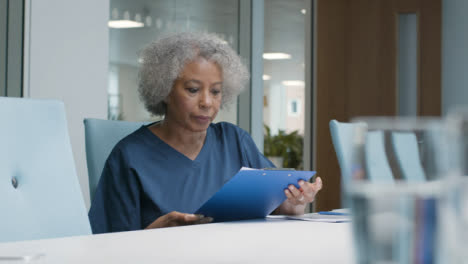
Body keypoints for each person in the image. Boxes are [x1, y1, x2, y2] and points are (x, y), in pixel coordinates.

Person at [88, 32, 323, 233]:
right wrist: (155, 233)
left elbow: (272, 206)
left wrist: (293, 204)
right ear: (165, 91)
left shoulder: (234, 141)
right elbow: (106, 246)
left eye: (216, 91)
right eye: (193, 90)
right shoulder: (129, 157)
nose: (207, 103)